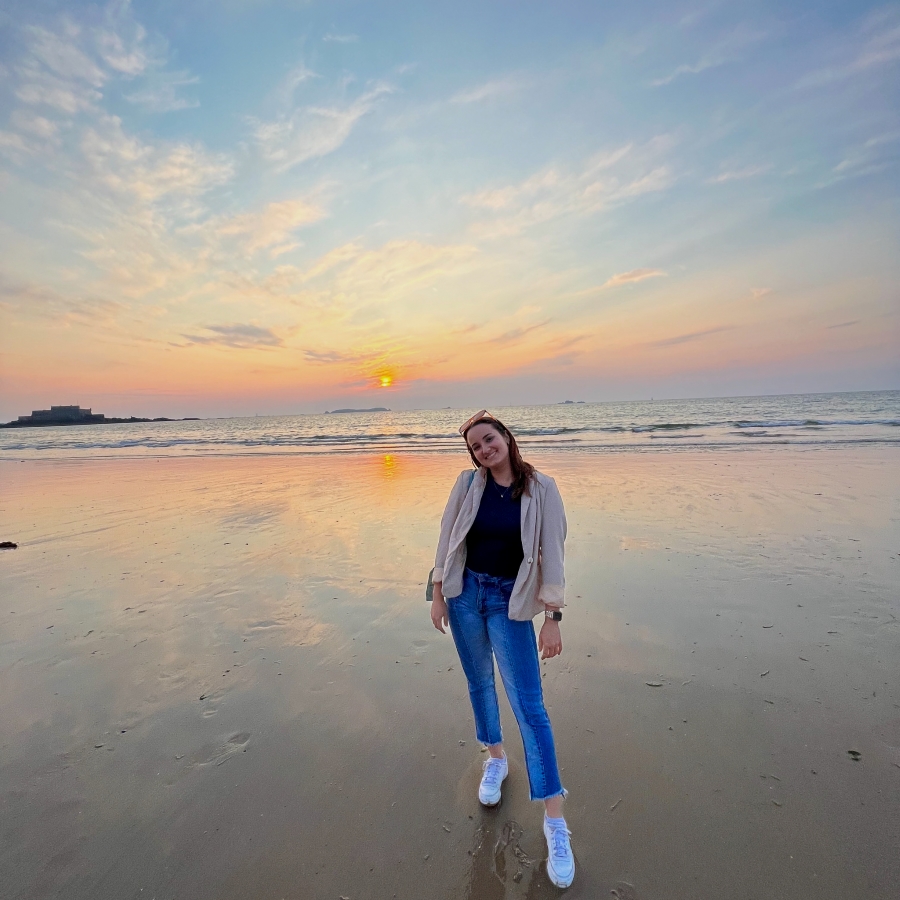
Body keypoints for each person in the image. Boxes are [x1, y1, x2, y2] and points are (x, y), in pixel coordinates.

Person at [430, 410, 575, 889]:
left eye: (489, 439)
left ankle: (555, 821)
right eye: (475, 446)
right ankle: (495, 758)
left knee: (530, 708)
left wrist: (552, 617)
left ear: (507, 438)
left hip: (511, 603)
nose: (483, 449)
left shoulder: (542, 490)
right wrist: (437, 592)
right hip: (466, 595)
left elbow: (553, 555)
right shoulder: (467, 485)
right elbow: (448, 538)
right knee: (479, 683)